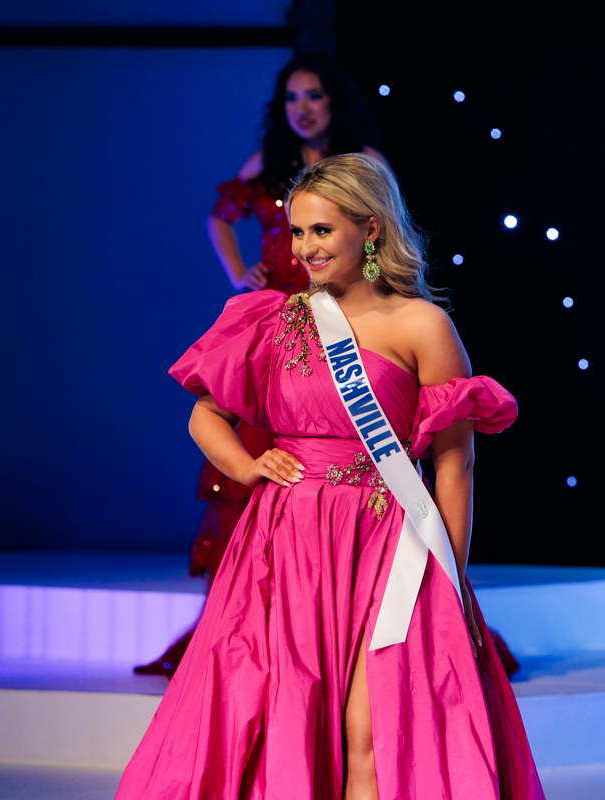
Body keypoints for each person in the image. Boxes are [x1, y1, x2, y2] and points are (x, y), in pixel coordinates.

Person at [115, 153, 543, 799]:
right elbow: (204, 416)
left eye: (321, 230)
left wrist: (451, 578)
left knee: (372, 728)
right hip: (288, 545)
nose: (304, 247)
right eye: (297, 231)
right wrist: (246, 465)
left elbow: (456, 464)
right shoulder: (275, 320)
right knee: (287, 718)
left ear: (370, 230)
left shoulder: (422, 325)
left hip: (390, 543)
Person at [134, 55, 386, 676]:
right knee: (249, 463)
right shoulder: (267, 164)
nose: (303, 109)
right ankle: (243, 637)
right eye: (292, 98)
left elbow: (390, 232)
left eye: (314, 96)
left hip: (349, 320)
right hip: (282, 324)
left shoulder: (363, 164)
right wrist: (238, 273)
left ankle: (340, 630)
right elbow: (219, 217)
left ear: (335, 101)